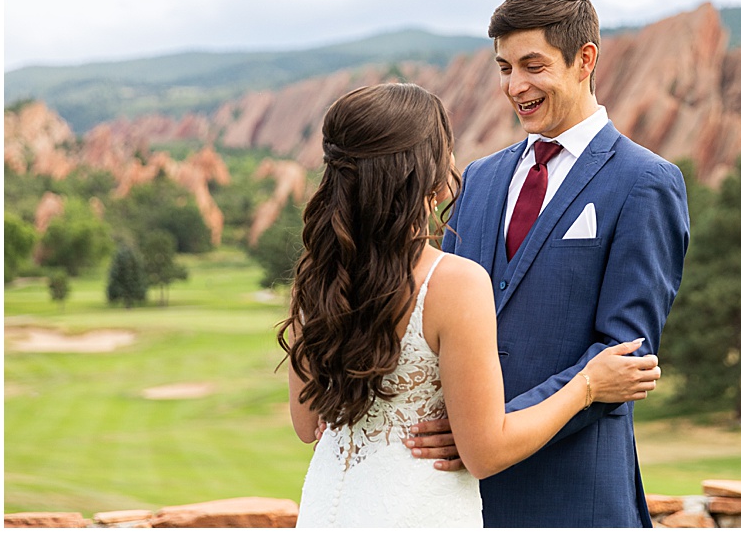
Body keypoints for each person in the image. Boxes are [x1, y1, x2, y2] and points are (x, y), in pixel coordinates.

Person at [278, 82, 662, 528]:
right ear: (431, 177)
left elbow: (308, 427)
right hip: (416, 513)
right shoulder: (454, 283)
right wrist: (588, 386)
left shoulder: (317, 277)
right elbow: (486, 452)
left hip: (328, 511)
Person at [413, 0, 690, 527]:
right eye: (503, 68)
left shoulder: (645, 182)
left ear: (584, 59)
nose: (515, 86)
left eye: (532, 66)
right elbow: (430, 309)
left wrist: (490, 427)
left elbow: (625, 356)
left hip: (572, 498)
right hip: (458, 500)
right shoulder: (481, 178)